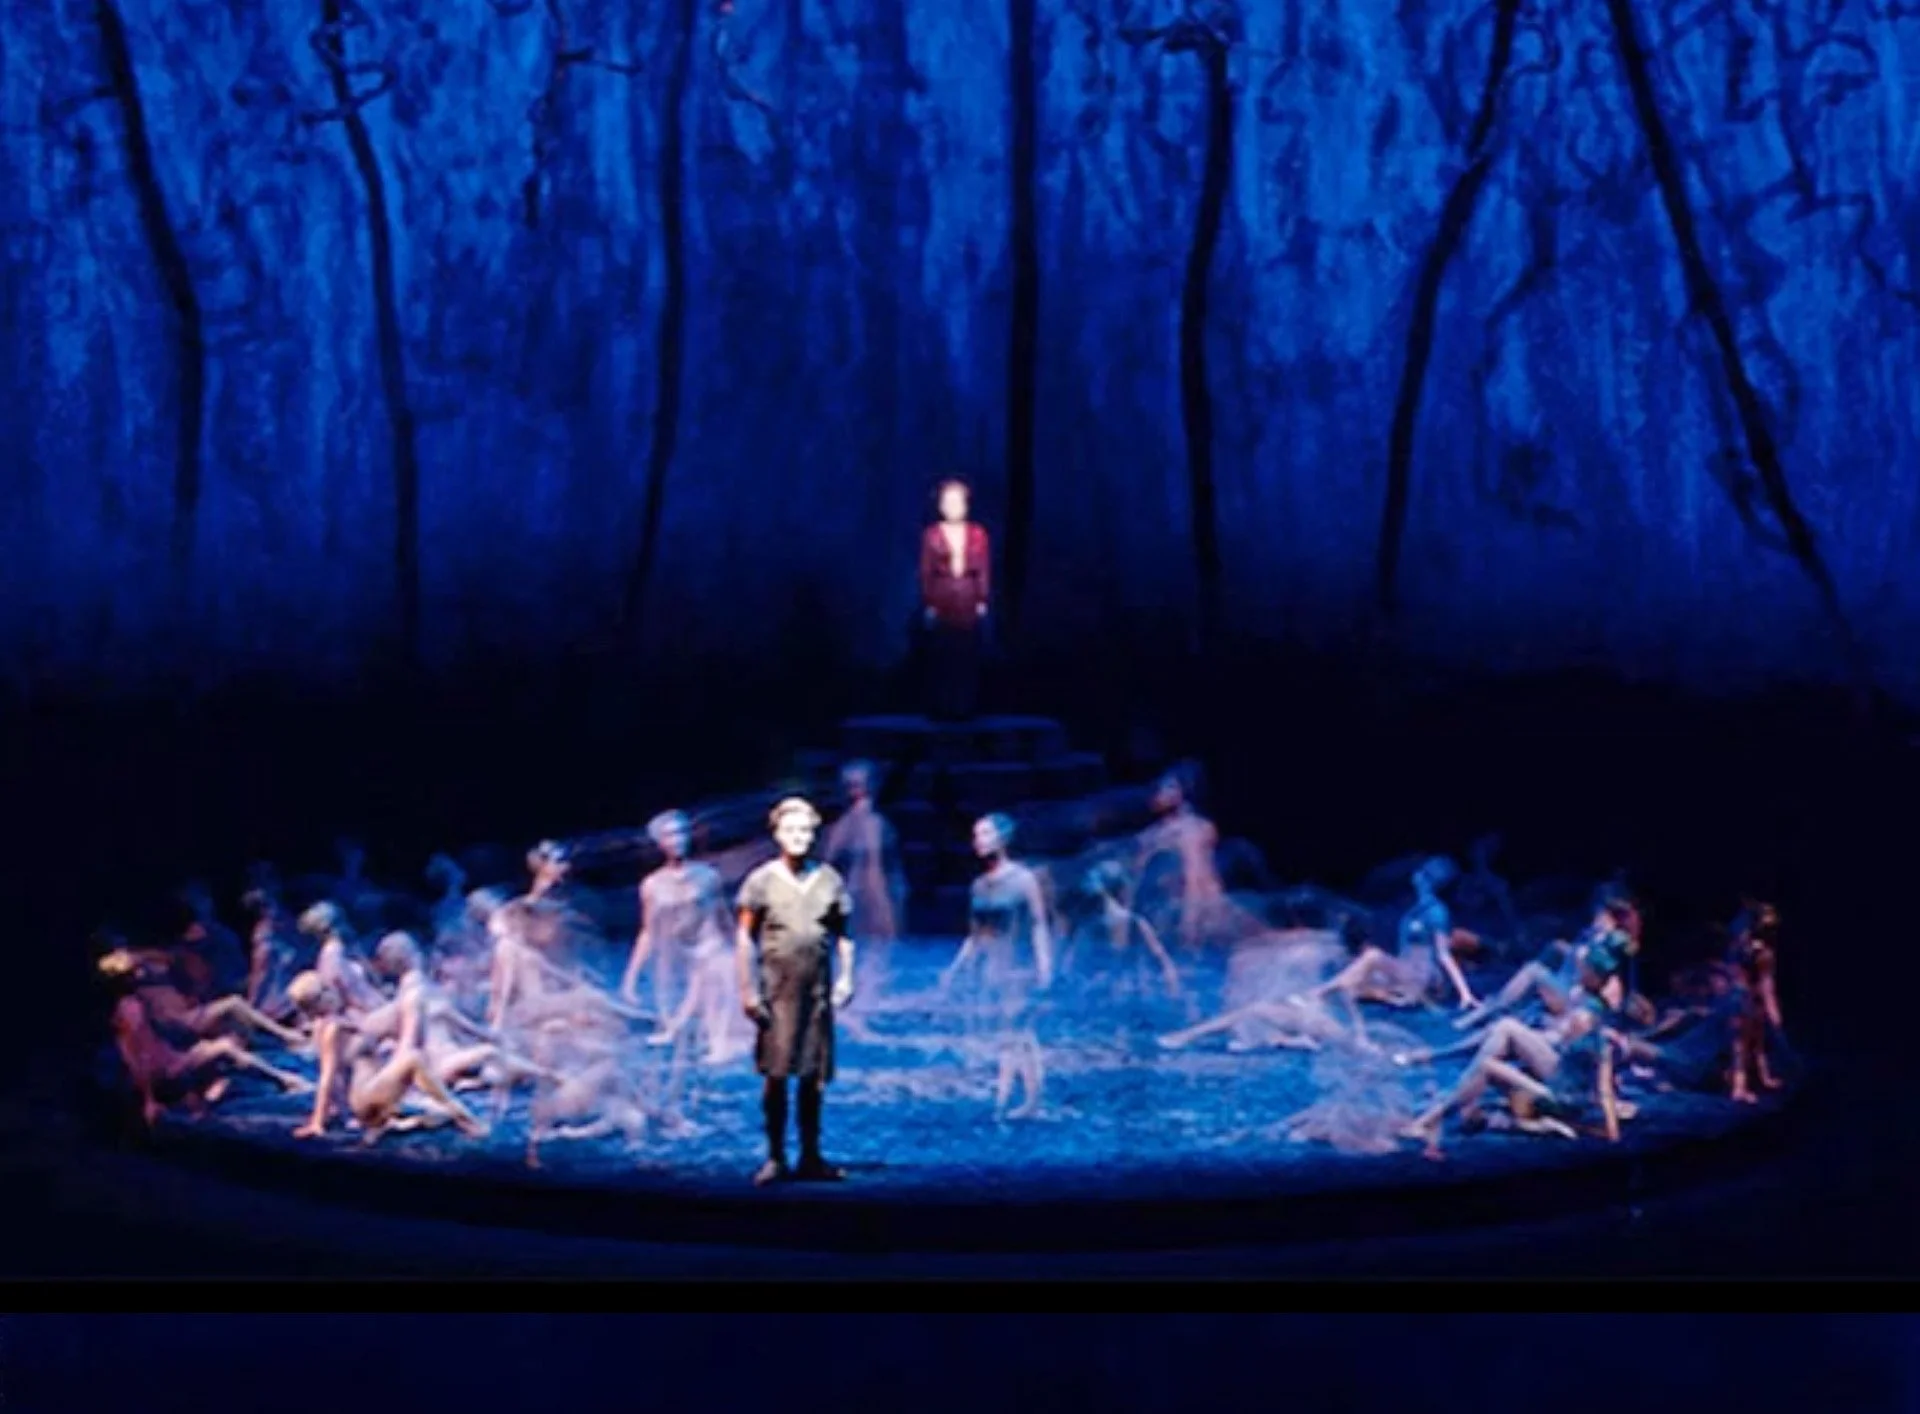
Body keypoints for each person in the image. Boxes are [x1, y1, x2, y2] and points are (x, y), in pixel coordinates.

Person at [735, 797, 858, 1185]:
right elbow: (744, 937)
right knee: (776, 1075)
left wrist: (847, 978)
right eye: (790, 830)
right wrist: (747, 990)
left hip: (816, 994)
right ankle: (775, 1156)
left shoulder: (829, 879)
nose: (798, 837)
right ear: (776, 834)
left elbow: (844, 935)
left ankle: (810, 1155)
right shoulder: (761, 880)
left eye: (805, 830)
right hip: (777, 993)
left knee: (812, 1076)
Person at [940, 814, 1055, 1120]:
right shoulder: (979, 886)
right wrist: (956, 968)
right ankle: (1019, 1100)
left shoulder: (1023, 880)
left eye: (985, 834)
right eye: (976, 835)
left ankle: (1013, 1100)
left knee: (1018, 1032)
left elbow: (1038, 924)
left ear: (1002, 838)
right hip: (993, 968)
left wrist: (1044, 965)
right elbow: (975, 934)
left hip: (1019, 966)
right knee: (1009, 1034)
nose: (978, 841)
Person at [621, 809, 753, 1062]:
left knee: (714, 976)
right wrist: (631, 976)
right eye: (669, 835)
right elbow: (648, 931)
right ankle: (677, 1029)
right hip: (683, 956)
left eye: (681, 833)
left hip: (711, 948)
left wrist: (743, 953)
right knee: (681, 992)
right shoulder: (652, 885)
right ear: (660, 843)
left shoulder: (707, 876)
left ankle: (719, 1044)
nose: (677, 840)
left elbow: (723, 919)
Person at [918, 478, 991, 720]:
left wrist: (982, 599)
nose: (953, 507)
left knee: (967, 654)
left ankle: (965, 707)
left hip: (968, 596)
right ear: (940, 505)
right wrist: (929, 602)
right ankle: (942, 706)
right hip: (943, 595)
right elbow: (926, 570)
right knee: (942, 653)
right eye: (948, 501)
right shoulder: (932, 535)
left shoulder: (978, 534)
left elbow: (983, 568)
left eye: (957, 501)